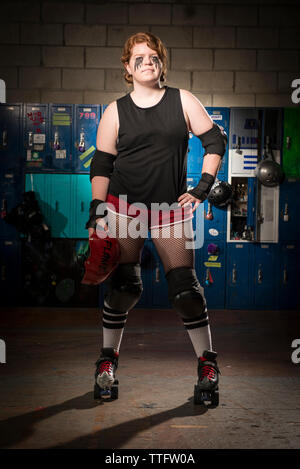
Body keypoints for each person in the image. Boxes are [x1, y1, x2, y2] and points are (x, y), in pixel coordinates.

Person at [85, 32, 226, 404]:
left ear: (162, 62)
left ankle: (207, 364)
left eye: (154, 56)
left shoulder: (183, 101)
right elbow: (102, 164)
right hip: (123, 209)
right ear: (127, 67)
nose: (147, 61)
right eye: (139, 57)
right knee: (123, 289)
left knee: (185, 292)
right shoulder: (115, 111)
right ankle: (106, 362)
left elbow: (215, 142)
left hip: (169, 211)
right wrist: (97, 212)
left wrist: (202, 187)